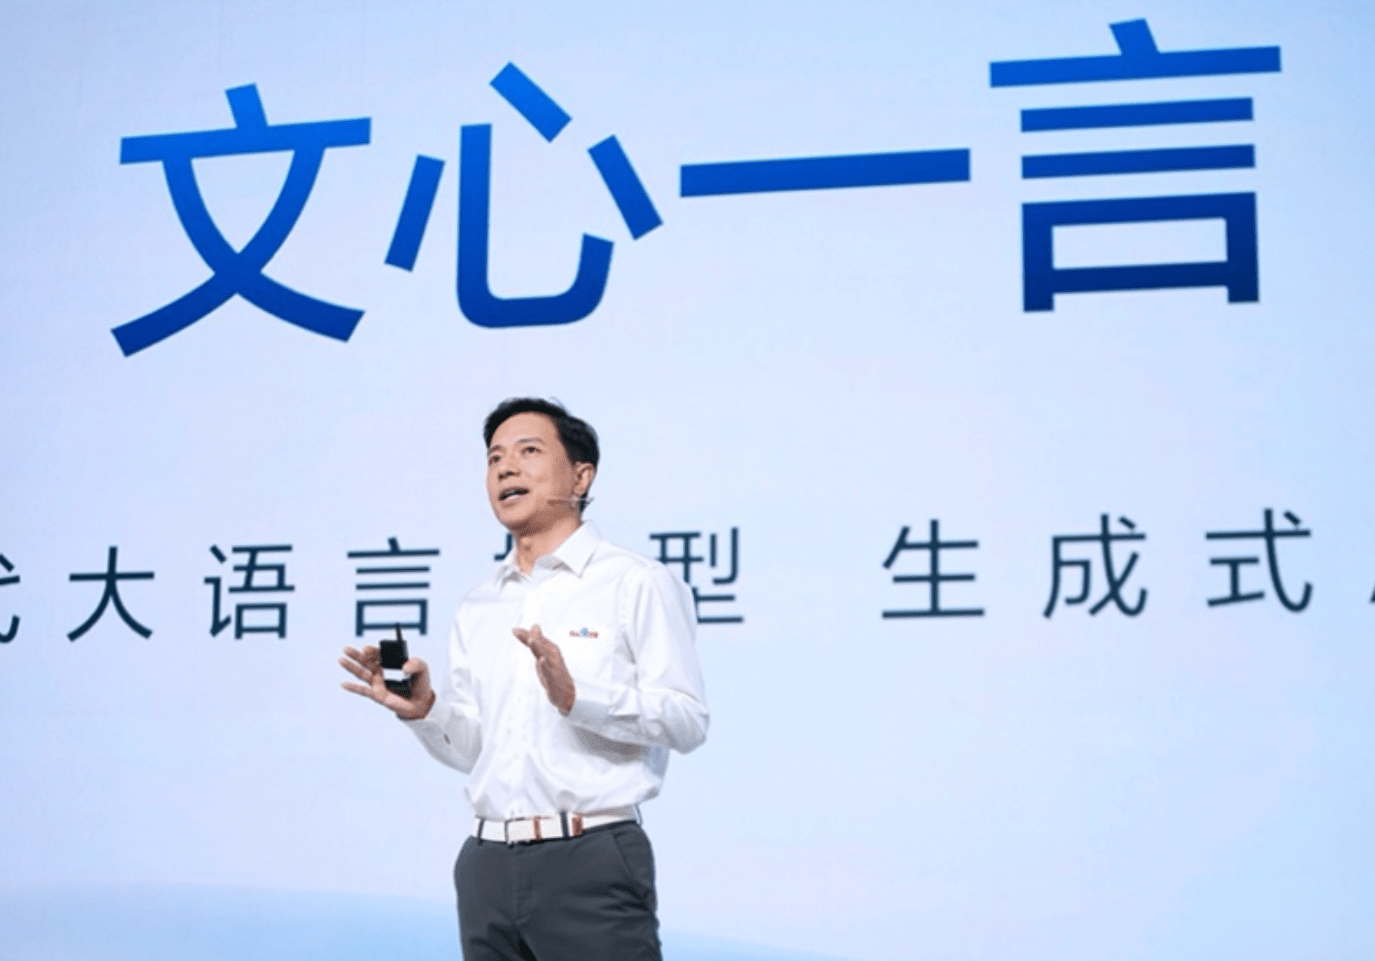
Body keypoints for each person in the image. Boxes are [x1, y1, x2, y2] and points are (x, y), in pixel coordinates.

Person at [340, 397, 709, 961]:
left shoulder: (635, 582)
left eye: (528, 451)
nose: (505, 468)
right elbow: (476, 750)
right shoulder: (479, 604)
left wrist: (577, 697)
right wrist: (427, 711)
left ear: (581, 476)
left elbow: (687, 721)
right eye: (494, 459)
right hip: (485, 864)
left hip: (589, 856)